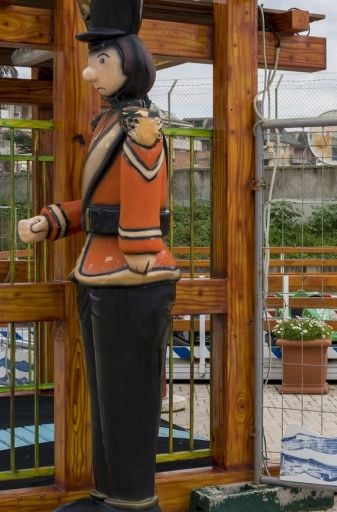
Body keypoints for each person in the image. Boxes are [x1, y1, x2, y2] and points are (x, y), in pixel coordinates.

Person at [17, 1, 178, 510]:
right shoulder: (115, 119)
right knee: (106, 394)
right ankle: (110, 493)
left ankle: (134, 500)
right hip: (100, 271)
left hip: (131, 276)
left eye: (100, 61)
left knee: (127, 396)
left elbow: (143, 193)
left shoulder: (140, 126)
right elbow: (98, 203)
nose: (90, 71)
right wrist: (54, 220)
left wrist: (138, 253)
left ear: (128, 63)